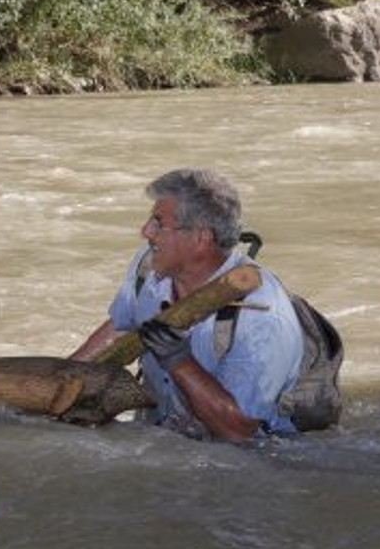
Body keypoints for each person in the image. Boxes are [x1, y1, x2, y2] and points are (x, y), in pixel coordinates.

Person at [69, 168, 303, 442]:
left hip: (248, 459)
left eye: (158, 223)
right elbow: (122, 327)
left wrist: (177, 360)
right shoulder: (149, 267)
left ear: (201, 238)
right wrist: (61, 379)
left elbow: (239, 431)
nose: (145, 232)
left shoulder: (263, 315)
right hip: (164, 438)